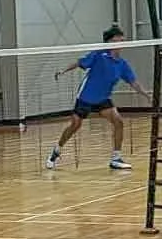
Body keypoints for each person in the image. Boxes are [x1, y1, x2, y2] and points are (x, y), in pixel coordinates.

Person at [47, 27, 146, 171]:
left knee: (118, 122)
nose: (119, 43)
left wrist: (146, 94)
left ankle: (116, 158)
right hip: (86, 97)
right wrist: (62, 71)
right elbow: (79, 62)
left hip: (103, 99)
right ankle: (56, 151)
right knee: (75, 125)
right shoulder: (98, 55)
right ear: (108, 42)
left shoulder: (122, 64)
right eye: (116, 40)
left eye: (121, 40)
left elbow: (133, 82)